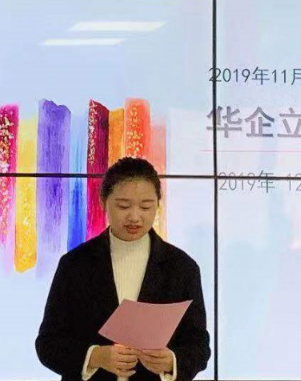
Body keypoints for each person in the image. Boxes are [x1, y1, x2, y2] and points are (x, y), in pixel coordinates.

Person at [36, 157, 210, 381]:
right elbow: (48, 343)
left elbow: (199, 346)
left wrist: (171, 361)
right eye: (123, 206)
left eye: (146, 206)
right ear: (103, 202)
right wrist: (95, 357)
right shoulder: (75, 264)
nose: (135, 217)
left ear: (158, 204)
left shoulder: (181, 267)